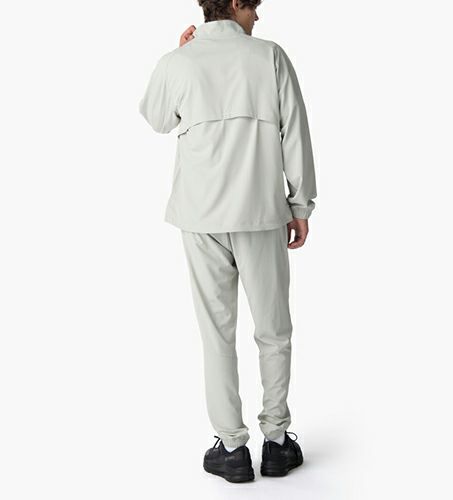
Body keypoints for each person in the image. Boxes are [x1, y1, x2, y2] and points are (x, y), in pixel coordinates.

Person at [139, 0, 317, 482]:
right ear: (236, 3)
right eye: (254, 6)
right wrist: (300, 205)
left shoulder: (180, 61)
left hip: (201, 216)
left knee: (216, 334)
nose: (258, 16)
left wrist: (178, 54)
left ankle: (232, 449)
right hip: (260, 212)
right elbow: (295, 132)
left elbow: (156, 117)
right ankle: (276, 442)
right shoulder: (269, 56)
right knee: (274, 330)